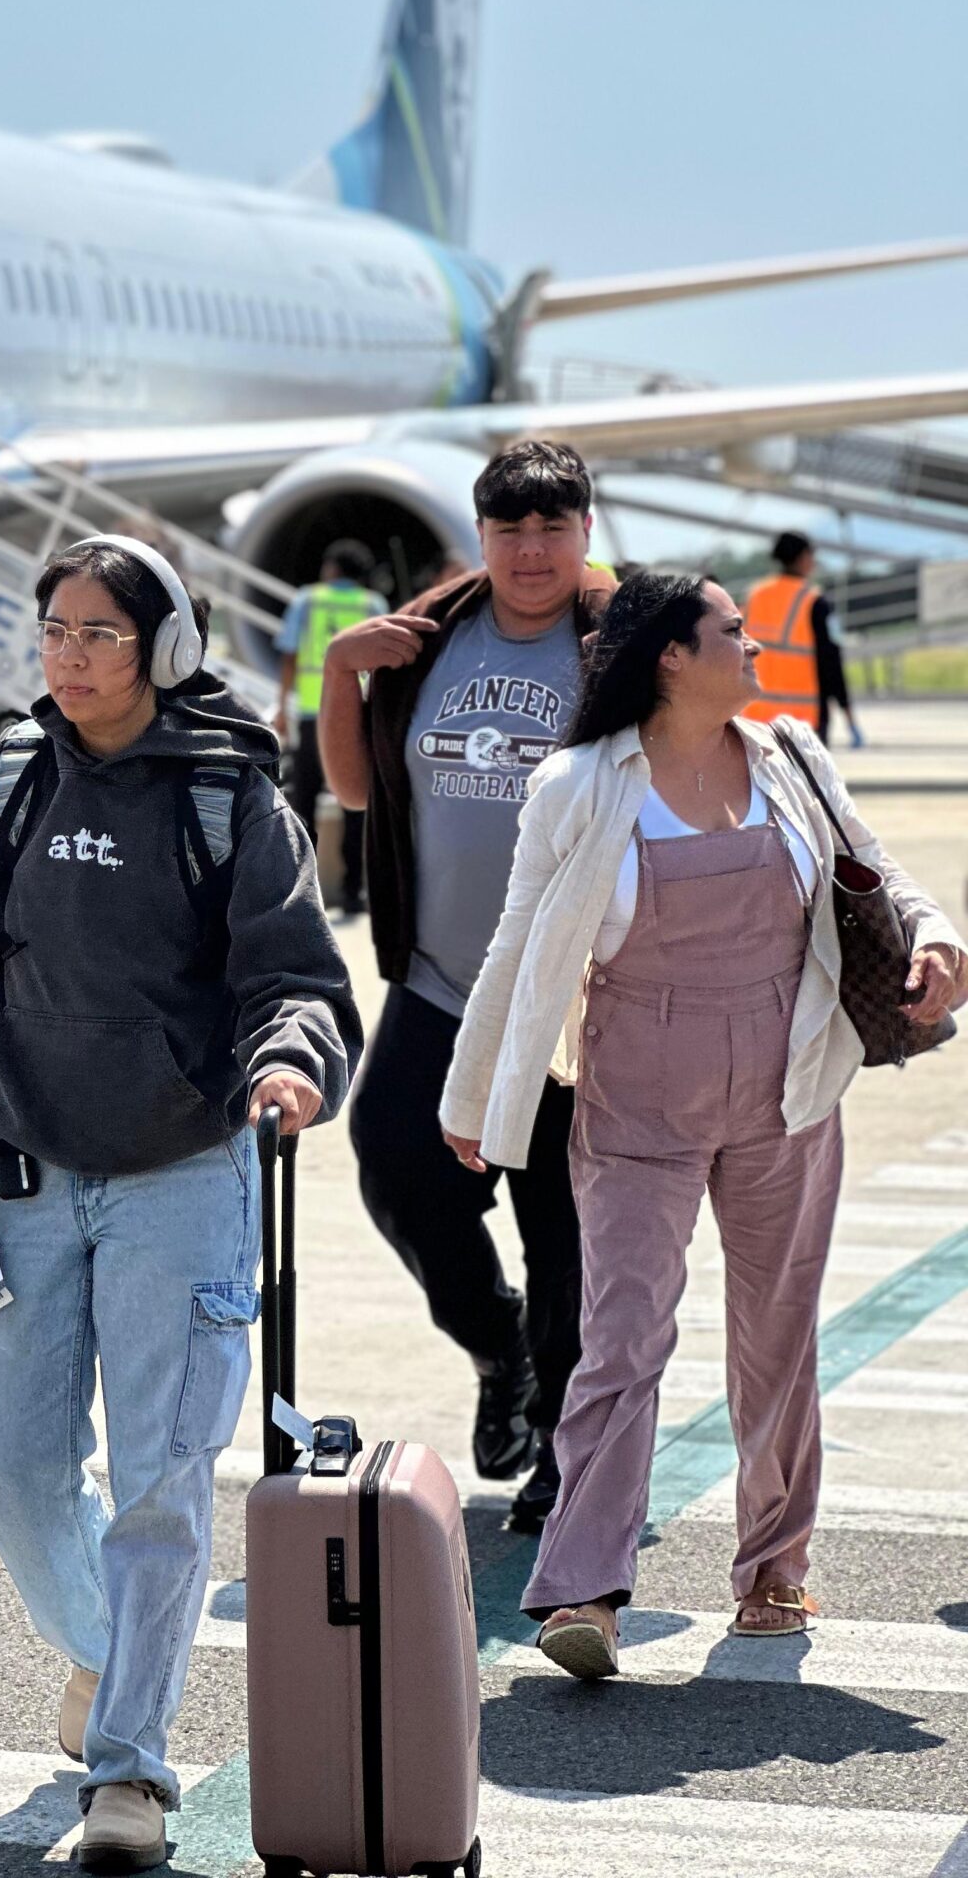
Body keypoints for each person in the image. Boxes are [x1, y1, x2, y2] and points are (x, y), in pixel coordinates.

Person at [0, 534, 359, 1875]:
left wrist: (289, 1061)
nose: (71, 656)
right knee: (7, 1456)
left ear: (166, 648)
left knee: (161, 1482)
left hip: (183, 1179)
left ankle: (130, 1769)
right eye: (56, 631)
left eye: (100, 633)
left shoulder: (226, 798)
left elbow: (296, 975)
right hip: (19, 1173)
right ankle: (110, 1653)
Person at [440, 572, 967, 1678]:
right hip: (639, 1092)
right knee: (623, 1338)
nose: (756, 643)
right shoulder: (579, 783)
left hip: (791, 1084)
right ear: (671, 656)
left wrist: (932, 931)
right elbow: (516, 943)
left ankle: (774, 1566)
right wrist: (475, 1094)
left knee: (777, 1336)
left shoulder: (789, 754)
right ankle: (585, 1588)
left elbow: (879, 867)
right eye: (734, 630)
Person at [319, 440, 611, 1534]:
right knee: (398, 1170)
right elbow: (352, 788)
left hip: (573, 1002)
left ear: (586, 529)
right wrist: (343, 670)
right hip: (443, 982)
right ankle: (502, 1353)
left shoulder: (622, 642)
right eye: (510, 529)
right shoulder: (427, 636)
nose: (531, 551)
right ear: (481, 535)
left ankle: (567, 1455)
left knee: (565, 1229)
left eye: (553, 527)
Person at [274, 540, 384, 914]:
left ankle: (302, 889)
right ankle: (354, 891)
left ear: (331, 568)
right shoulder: (373, 605)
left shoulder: (307, 600)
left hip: (311, 712)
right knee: (355, 802)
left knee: (303, 803)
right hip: (358, 717)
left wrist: (282, 706)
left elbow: (289, 653)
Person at [744, 531, 860, 744]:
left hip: (755, 719)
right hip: (803, 721)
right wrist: (848, 714)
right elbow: (831, 662)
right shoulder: (814, 602)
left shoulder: (756, 596)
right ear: (804, 557)